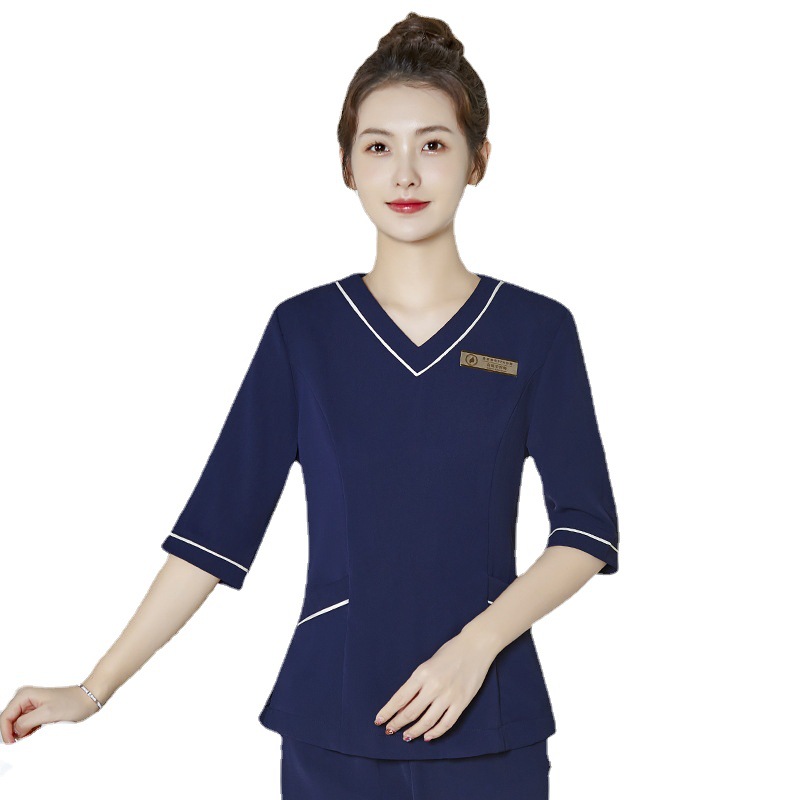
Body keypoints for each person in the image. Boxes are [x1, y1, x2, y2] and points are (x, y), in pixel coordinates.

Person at [1, 12, 620, 799]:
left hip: (492, 722)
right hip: (332, 723)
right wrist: (93, 689)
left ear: (478, 160)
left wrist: (476, 647)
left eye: (433, 145)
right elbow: (213, 534)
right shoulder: (305, 334)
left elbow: (587, 530)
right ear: (347, 166)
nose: (405, 174)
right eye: (378, 147)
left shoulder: (535, 331)